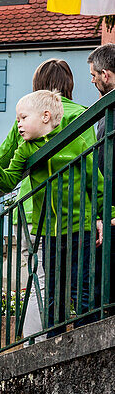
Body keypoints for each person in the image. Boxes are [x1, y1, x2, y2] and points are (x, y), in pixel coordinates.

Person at [0, 89, 99, 335]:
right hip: (48, 231)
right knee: (54, 290)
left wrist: (105, 214)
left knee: (82, 288)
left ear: (45, 116)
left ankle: (86, 337)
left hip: (82, 227)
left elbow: (96, 183)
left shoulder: (75, 141)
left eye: (23, 118)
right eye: (18, 119)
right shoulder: (25, 148)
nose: (18, 125)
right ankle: (54, 340)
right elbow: (9, 181)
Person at [88, 44, 115, 313]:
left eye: (94, 76)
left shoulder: (110, 113)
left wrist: (103, 213)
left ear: (105, 74)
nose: (93, 81)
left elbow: (104, 167)